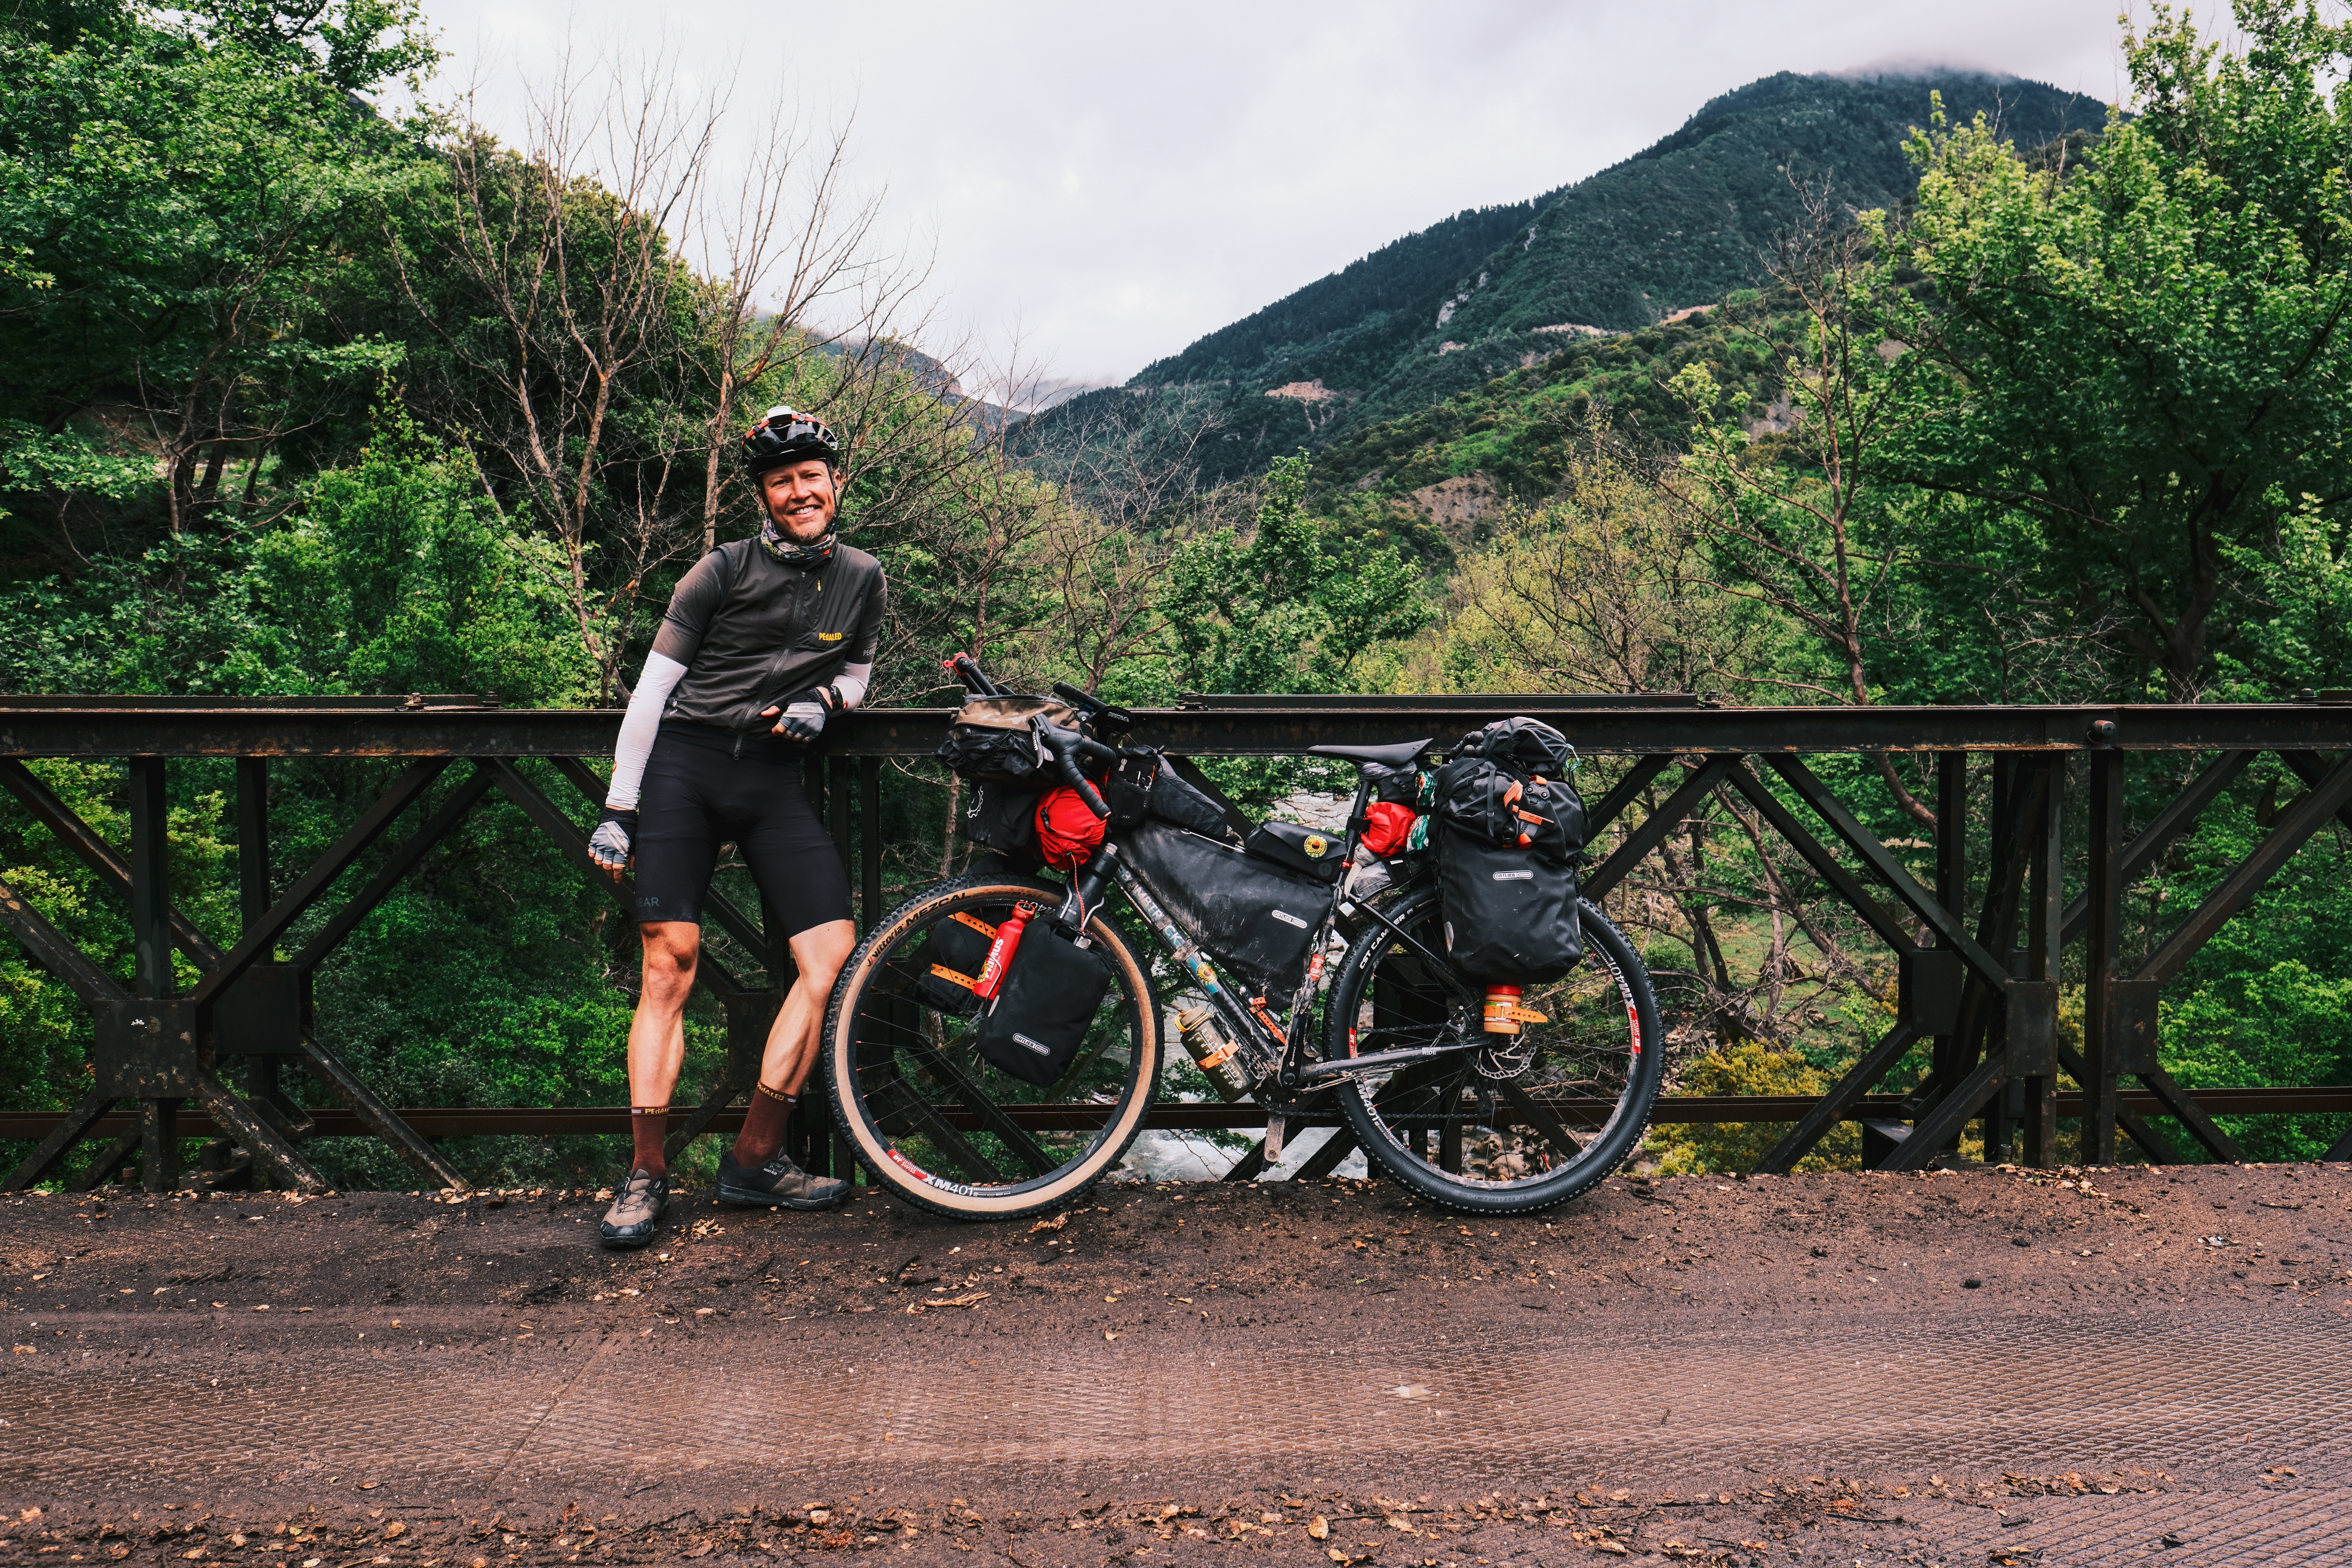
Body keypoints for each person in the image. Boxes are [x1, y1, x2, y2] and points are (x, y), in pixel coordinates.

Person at [584, 406, 883, 1248]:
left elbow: (858, 676)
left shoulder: (863, 576)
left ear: (835, 484)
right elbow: (650, 696)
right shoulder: (718, 572)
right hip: (685, 765)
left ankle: (756, 1159)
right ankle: (645, 1175)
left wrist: (824, 701)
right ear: (764, 494)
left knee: (830, 963)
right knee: (669, 965)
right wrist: (619, 808)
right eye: (782, 482)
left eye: (811, 478)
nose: (799, 493)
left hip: (773, 776)